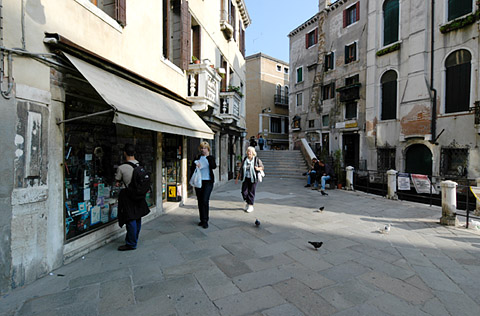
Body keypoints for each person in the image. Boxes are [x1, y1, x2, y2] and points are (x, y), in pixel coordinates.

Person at [115, 144, 150, 251]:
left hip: (128, 195)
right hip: (140, 195)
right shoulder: (140, 165)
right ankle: (135, 238)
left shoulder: (121, 167)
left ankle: (131, 243)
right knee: (137, 216)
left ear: (125, 153)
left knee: (130, 218)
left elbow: (117, 182)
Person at [190, 142, 217, 229]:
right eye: (202, 148)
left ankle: (205, 220)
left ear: (208, 149)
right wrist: (195, 165)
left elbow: (214, 166)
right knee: (200, 201)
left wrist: (208, 157)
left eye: (205, 148)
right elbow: (191, 168)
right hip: (199, 181)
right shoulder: (197, 157)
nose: (203, 150)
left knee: (205, 200)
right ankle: (202, 219)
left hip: (208, 182)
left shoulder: (210, 158)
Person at [235, 146, 264, 213]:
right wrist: (238, 176)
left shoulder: (256, 159)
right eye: (248, 151)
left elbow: (262, 167)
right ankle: (248, 202)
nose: (249, 153)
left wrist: (258, 168)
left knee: (251, 192)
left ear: (253, 153)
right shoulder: (245, 159)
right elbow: (241, 168)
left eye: (250, 151)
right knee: (244, 191)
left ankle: (250, 205)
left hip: (253, 178)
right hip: (245, 178)